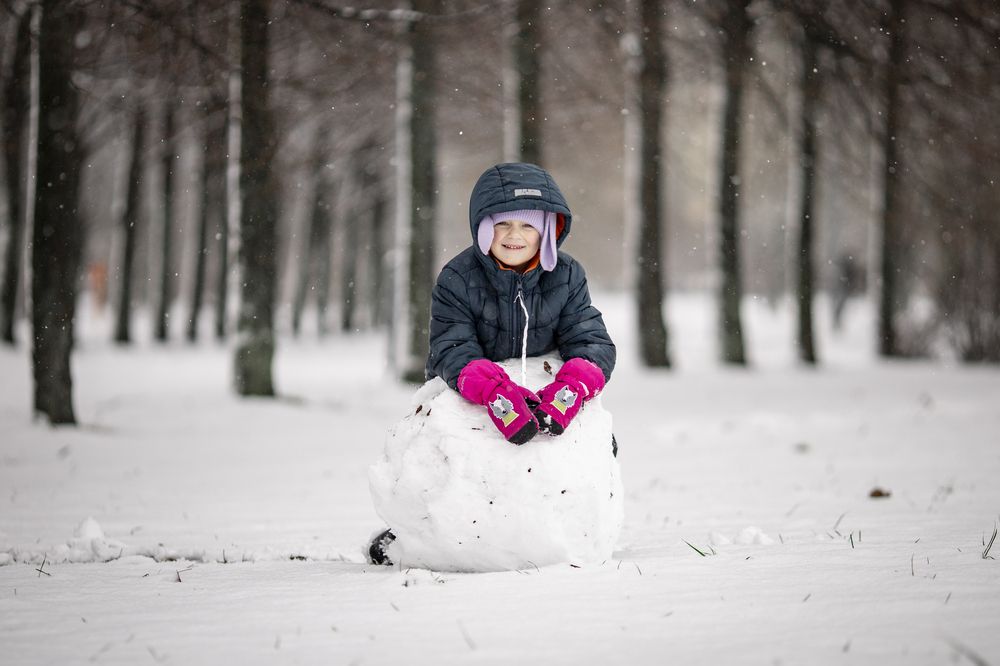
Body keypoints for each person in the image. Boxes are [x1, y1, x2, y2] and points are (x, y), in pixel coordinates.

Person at [369, 162, 616, 565]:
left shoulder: (567, 276)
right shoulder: (458, 278)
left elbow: (589, 337)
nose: (515, 237)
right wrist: (492, 389)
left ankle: (576, 528)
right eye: (503, 225)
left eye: (528, 226)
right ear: (484, 228)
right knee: (451, 454)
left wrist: (573, 384)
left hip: (546, 384)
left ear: (548, 231)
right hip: (473, 388)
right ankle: (422, 537)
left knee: (589, 442)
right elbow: (451, 346)